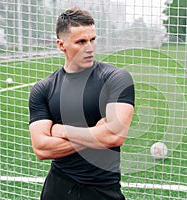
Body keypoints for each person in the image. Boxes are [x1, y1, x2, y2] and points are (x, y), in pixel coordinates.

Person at [28, 7, 135, 200]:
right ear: (61, 45)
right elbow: (42, 148)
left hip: (102, 190)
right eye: (81, 42)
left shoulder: (115, 79)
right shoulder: (43, 88)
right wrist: (96, 132)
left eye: (93, 39)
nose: (90, 48)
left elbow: (114, 136)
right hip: (57, 188)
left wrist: (62, 131)